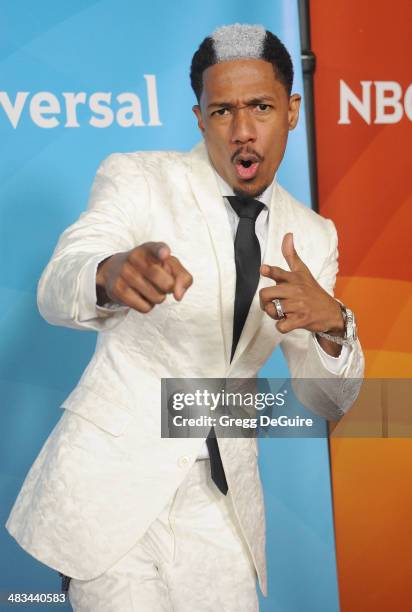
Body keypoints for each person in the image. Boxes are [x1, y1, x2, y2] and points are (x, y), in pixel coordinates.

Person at [5, 23, 364, 611]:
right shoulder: (139, 178)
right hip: (113, 491)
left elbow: (328, 402)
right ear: (199, 117)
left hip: (221, 501)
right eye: (222, 111)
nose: (243, 132)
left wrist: (332, 328)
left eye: (261, 107)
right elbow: (56, 284)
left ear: (293, 111)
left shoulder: (316, 237)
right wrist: (107, 272)